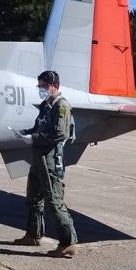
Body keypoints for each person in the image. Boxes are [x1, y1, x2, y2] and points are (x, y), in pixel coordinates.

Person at [12, 70, 78, 258]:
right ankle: (33, 235)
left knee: (54, 201)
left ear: (54, 86)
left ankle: (68, 243)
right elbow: (38, 127)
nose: (40, 89)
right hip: (38, 159)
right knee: (33, 198)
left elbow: (59, 134)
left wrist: (31, 138)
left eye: (43, 86)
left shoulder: (61, 106)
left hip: (50, 160)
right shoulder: (45, 105)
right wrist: (25, 132)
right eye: (39, 86)